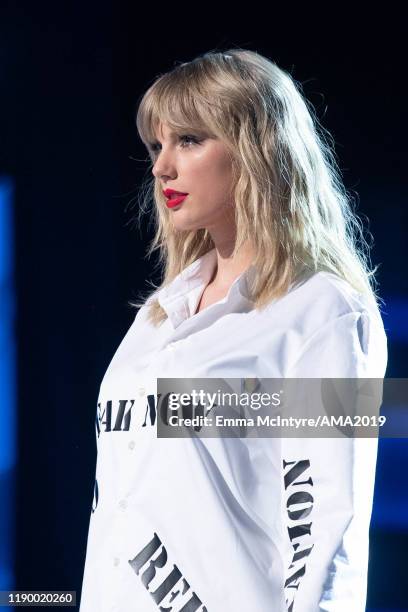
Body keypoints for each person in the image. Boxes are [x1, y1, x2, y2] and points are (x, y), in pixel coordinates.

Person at [79, 49, 387, 612]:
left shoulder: (324, 310)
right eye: (156, 146)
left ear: (257, 149)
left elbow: (329, 527)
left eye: (189, 140)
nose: (161, 167)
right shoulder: (156, 317)